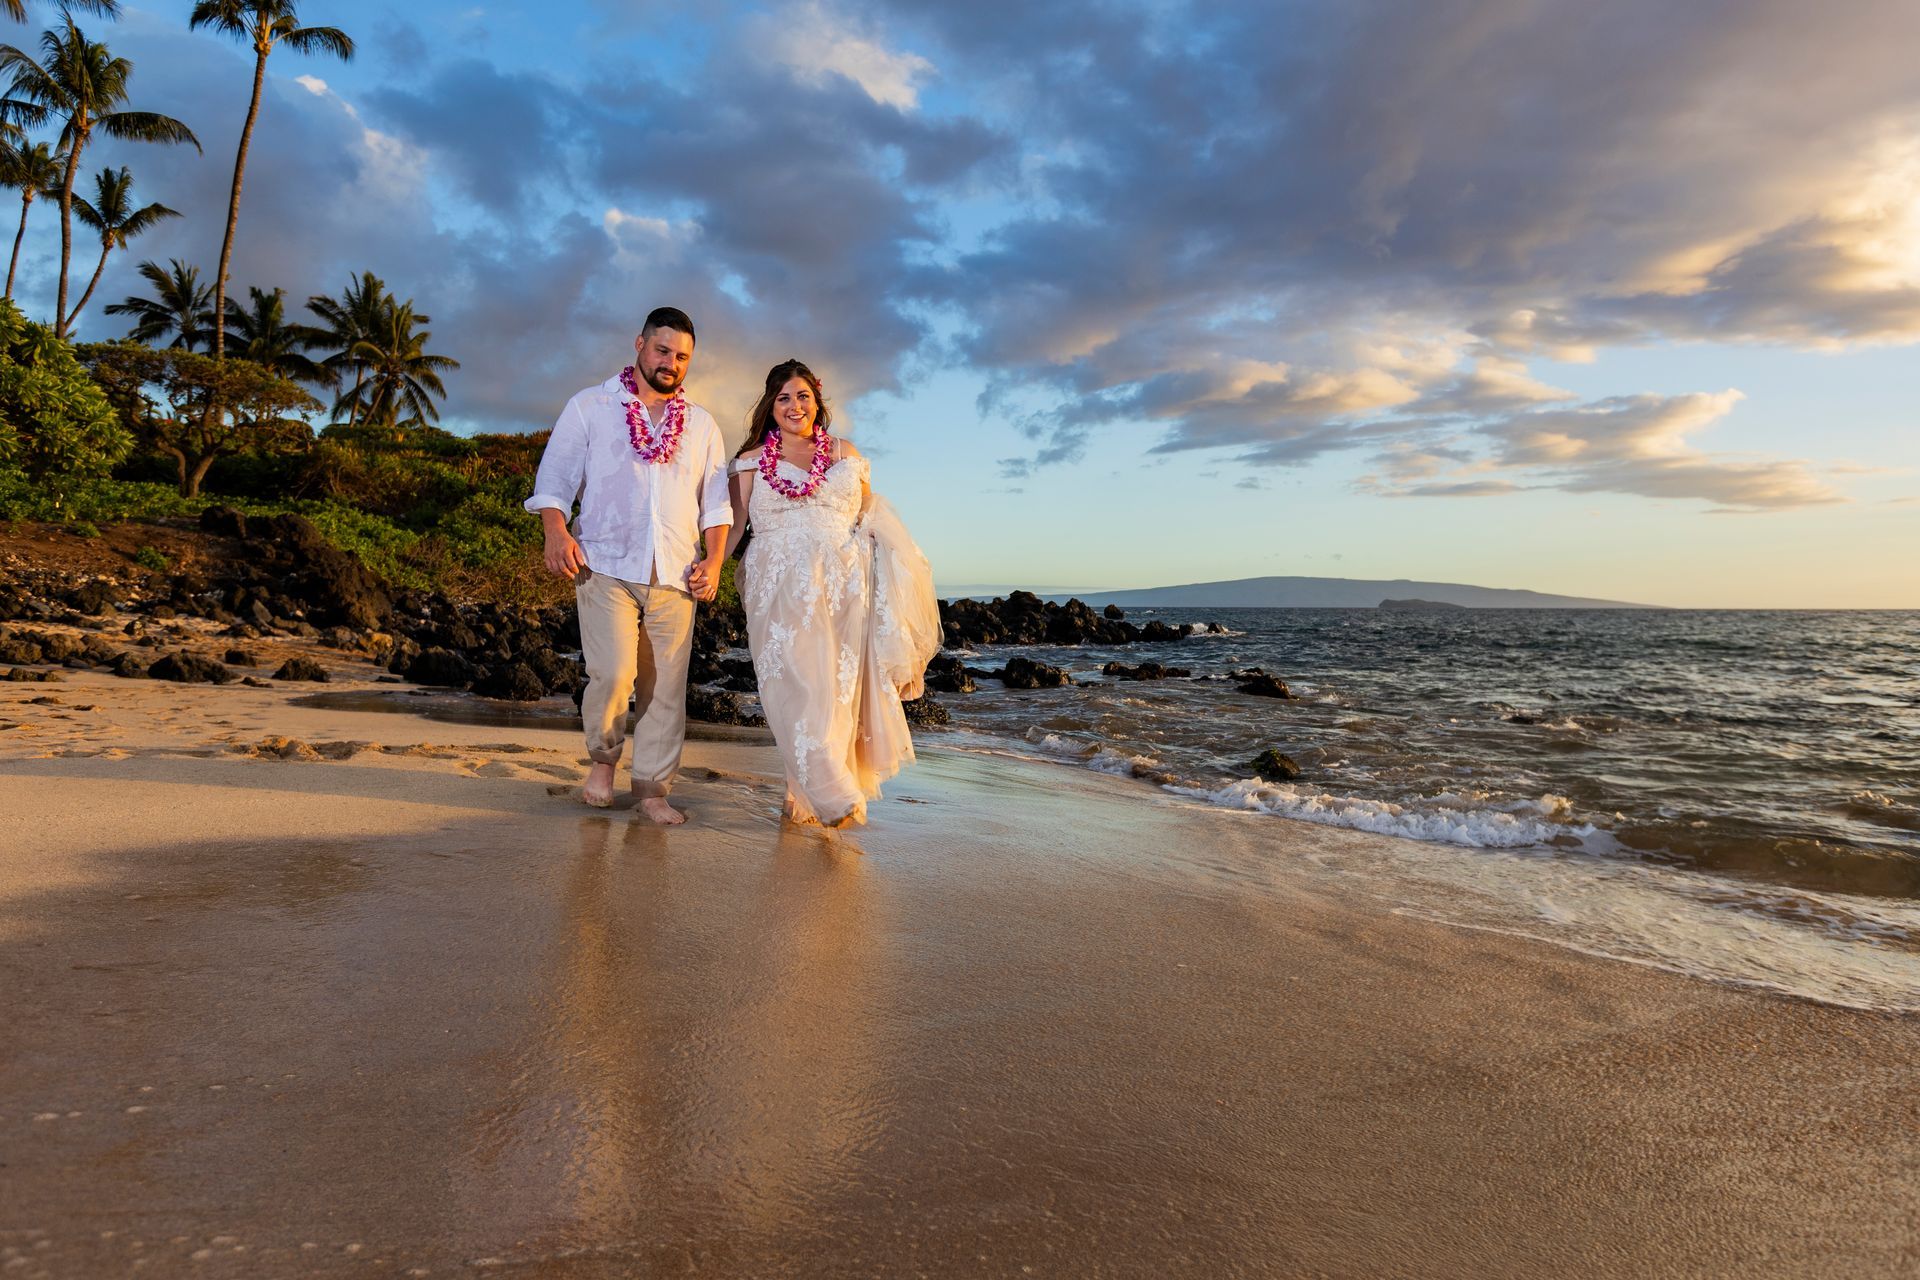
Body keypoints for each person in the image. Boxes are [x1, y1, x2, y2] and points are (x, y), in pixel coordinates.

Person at [525, 307, 731, 825]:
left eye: (682, 356)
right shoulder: (590, 406)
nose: (671, 363)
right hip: (605, 563)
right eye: (663, 350)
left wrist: (715, 559)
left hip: (676, 574)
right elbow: (555, 477)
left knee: (664, 687)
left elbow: (716, 502)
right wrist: (555, 529)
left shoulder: (702, 424)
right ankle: (602, 762)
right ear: (639, 344)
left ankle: (652, 790)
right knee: (614, 675)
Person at [723, 359, 940, 827]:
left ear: (816, 401)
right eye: (783, 398)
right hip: (777, 583)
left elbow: (867, 516)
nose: (794, 406)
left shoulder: (845, 452)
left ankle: (799, 790)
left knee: (835, 689)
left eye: (802, 396)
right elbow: (735, 527)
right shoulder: (747, 463)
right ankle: (831, 788)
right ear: (770, 405)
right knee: (793, 681)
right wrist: (705, 565)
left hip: (844, 583)